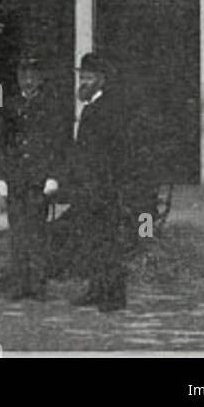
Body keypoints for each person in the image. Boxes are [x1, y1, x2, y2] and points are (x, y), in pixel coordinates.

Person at [61, 53, 131, 313]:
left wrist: (108, 185)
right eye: (81, 77)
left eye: (88, 78)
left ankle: (113, 296)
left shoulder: (109, 109)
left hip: (104, 189)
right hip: (88, 188)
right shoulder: (90, 108)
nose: (83, 82)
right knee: (92, 241)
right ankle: (96, 289)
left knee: (109, 242)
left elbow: (116, 152)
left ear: (101, 80)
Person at [0, 56, 70, 301]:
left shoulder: (52, 106)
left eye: (32, 76)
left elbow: (59, 145)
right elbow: (2, 144)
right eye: (23, 75)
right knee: (17, 233)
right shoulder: (9, 105)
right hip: (16, 180)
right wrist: (1, 177)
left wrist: (54, 177)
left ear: (40, 79)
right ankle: (19, 284)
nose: (28, 81)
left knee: (38, 233)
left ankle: (38, 285)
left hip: (39, 180)